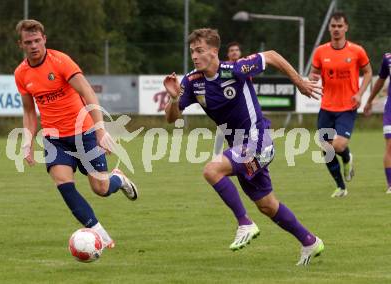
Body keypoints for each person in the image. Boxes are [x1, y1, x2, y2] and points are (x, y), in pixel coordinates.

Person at [163, 28, 323, 266]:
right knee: (268, 206)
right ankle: (310, 241)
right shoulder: (192, 82)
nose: (194, 56)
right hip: (239, 146)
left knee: (212, 170)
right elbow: (172, 119)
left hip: (258, 141)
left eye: (200, 51)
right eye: (192, 52)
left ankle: (244, 223)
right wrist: (174, 99)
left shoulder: (235, 69)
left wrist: (299, 82)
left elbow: (271, 55)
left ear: (214, 51)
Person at [14, 19, 138, 251]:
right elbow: (29, 111)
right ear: (20, 44)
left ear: (44, 40)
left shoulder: (60, 61)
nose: (33, 46)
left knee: (100, 189)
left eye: (37, 40)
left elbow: (88, 92)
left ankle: (118, 179)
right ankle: (100, 235)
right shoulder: (21, 74)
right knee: (63, 182)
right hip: (54, 138)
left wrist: (101, 130)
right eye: (28, 42)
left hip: (85, 132)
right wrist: (27, 141)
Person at [309, 12, 372, 198]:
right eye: (333, 26)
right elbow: (314, 72)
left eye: (339, 26)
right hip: (327, 107)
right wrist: (313, 78)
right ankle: (341, 187)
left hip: (347, 107)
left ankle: (347, 158)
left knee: (338, 146)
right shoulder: (321, 51)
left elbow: (368, 72)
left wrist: (360, 94)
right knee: (326, 149)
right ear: (329, 28)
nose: (336, 29)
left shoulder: (357, 51)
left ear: (346, 28)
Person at [364, 52, 391, 194]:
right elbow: (381, 80)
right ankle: (390, 185)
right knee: (390, 146)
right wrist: (369, 101)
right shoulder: (388, 58)